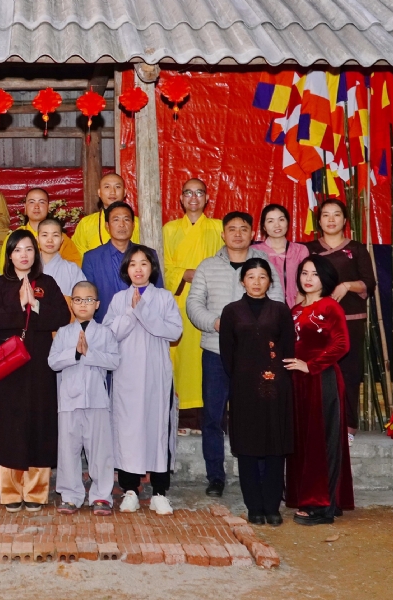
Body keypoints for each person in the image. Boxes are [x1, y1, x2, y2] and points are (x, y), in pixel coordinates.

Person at [186, 212, 284, 498]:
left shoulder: (263, 266)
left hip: (256, 357)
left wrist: (257, 329)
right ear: (223, 234)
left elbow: (277, 303)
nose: (238, 234)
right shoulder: (207, 267)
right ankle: (215, 476)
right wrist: (215, 322)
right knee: (213, 418)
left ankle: (262, 476)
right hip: (216, 353)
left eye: (244, 228)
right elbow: (194, 304)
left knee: (257, 415)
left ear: (253, 233)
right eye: (232, 229)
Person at [0, 231, 71, 511]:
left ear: (35, 254)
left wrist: (35, 305)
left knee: (40, 424)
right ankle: (10, 493)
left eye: (29, 250)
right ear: (9, 255)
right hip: (9, 367)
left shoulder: (46, 283)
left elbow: (61, 316)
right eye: (18, 249)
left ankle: (35, 492)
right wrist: (17, 303)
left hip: (40, 365)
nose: (24, 254)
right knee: (9, 426)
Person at [104, 247, 183, 515]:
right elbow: (109, 334)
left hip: (157, 376)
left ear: (153, 268)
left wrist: (145, 313)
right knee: (128, 430)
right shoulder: (118, 299)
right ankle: (129, 490)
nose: (138, 269)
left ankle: (160, 492)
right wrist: (130, 313)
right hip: (127, 375)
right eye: (133, 264)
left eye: (144, 264)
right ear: (126, 270)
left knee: (158, 427)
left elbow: (174, 331)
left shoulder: (164, 298)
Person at [219, 258, 295, 526]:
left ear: (269, 282)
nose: (256, 282)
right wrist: (244, 377)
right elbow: (227, 354)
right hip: (244, 389)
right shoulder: (231, 311)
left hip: (277, 388)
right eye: (251, 276)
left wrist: (277, 377)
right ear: (242, 281)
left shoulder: (280, 310)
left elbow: (289, 348)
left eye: (262, 277)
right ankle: (254, 506)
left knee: (276, 447)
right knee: (248, 448)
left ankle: (272, 506)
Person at [284, 256, 354, 525]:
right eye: (304, 273)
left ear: (325, 278)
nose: (308, 278)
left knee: (322, 442)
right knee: (302, 441)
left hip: (321, 378)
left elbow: (341, 345)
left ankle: (322, 505)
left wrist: (310, 365)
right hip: (297, 382)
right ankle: (310, 497)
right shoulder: (295, 309)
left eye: (314, 273)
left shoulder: (330, 307)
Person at [305, 199, 376, 442]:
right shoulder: (309, 249)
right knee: (316, 370)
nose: (331, 219)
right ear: (319, 221)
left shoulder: (356, 249)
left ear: (345, 220)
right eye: (326, 215)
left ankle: (348, 426)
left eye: (337, 214)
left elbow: (369, 282)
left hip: (350, 319)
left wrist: (347, 285)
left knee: (348, 372)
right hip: (317, 320)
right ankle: (318, 424)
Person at [48, 281, 120, 515]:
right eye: (77, 300)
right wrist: (75, 353)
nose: (82, 304)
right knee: (68, 449)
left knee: (100, 450)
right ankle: (70, 495)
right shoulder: (63, 333)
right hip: (69, 400)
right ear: (71, 303)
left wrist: (89, 353)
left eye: (88, 300)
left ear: (97, 305)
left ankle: (101, 495)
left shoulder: (105, 333)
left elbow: (113, 361)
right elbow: (53, 362)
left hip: (97, 400)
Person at [162, 178, 224, 430]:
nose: (194, 198)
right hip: (179, 300)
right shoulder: (169, 229)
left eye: (199, 193)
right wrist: (184, 274)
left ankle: (211, 416)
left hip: (213, 302)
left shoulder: (218, 228)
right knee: (183, 358)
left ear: (207, 198)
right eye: (188, 193)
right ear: (180, 198)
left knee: (210, 357)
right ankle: (183, 417)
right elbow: (161, 266)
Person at [82, 202, 162, 322]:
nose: (122, 225)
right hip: (105, 327)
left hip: (143, 327)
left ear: (133, 225)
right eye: (116, 220)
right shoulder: (92, 258)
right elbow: (87, 298)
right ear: (107, 226)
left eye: (126, 219)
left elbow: (158, 293)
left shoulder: (149, 255)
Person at [0, 189, 82, 270]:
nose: (36, 207)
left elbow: (74, 269)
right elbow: (4, 269)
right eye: (32, 202)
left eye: (41, 202)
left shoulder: (60, 238)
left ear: (48, 208)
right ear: (25, 208)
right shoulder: (14, 237)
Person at [252, 204, 309, 308]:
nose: (277, 225)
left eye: (281, 220)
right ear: (264, 226)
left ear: (287, 222)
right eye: (270, 221)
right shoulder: (255, 251)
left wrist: (297, 308)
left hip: (297, 306)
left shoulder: (300, 250)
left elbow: (306, 280)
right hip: (263, 308)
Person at [71, 173, 140, 255]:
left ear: (125, 192)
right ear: (99, 192)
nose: (112, 192)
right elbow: (77, 254)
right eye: (107, 187)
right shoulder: (86, 223)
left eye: (117, 187)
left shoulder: (138, 224)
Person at [37, 218, 86, 299]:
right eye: (45, 235)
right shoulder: (28, 267)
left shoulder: (72, 269)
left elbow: (82, 299)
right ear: (37, 239)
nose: (50, 240)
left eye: (55, 235)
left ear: (62, 240)